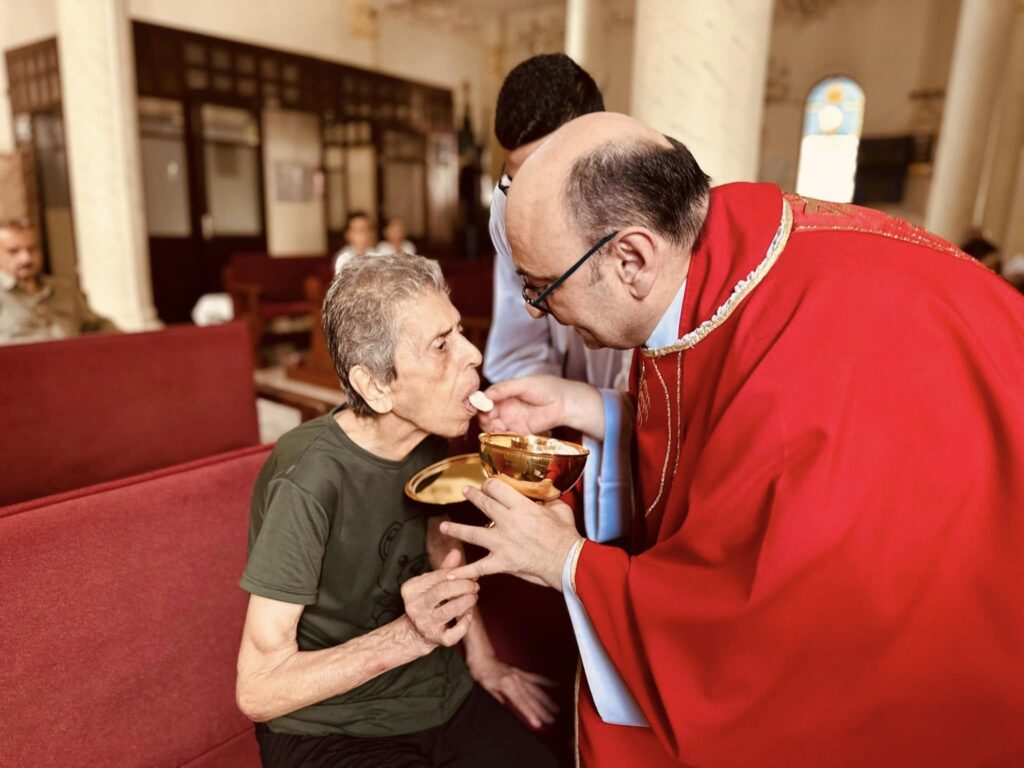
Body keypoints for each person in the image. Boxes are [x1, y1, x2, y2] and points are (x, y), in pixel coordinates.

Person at [440, 113, 1024, 767]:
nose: (537, 312)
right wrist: (596, 409)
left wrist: (565, 560)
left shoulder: (811, 376)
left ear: (631, 258)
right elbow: (726, 429)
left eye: (543, 290)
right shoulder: (730, 268)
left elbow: (762, 638)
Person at [235, 252, 558, 768]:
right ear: (376, 387)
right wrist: (411, 634)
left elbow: (436, 549)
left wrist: (482, 658)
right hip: (330, 726)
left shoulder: (430, 435)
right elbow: (256, 690)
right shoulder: (309, 477)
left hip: (440, 697)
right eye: (441, 345)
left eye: (459, 333)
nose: (475, 354)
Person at [484, 53, 631, 392]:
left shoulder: (641, 212)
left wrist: (592, 410)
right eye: (517, 179)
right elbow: (518, 346)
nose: (527, 199)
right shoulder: (512, 211)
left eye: (546, 177)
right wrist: (548, 404)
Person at [0, 218, 117, 344]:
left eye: (32, 249)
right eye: (13, 251)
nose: (26, 259)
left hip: (71, 360)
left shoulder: (64, 290)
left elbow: (97, 325)